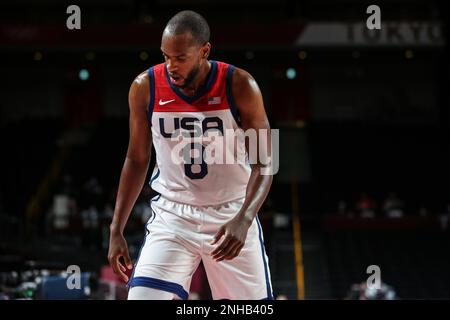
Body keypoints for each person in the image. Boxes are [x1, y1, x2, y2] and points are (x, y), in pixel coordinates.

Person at [108, 10, 274, 300]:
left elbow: (265, 162)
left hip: (231, 212)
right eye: (165, 56)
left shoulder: (241, 86)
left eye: (181, 57)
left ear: (204, 51)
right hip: (173, 214)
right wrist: (116, 227)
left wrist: (245, 218)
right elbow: (136, 159)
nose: (171, 65)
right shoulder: (144, 88)